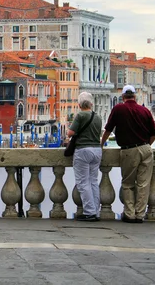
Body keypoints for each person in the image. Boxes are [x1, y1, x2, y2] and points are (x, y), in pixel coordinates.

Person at [101, 85, 155, 223]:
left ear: (123, 97)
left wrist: (101, 144)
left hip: (129, 150)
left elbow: (108, 129)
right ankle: (140, 215)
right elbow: (154, 133)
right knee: (143, 184)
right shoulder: (144, 110)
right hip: (145, 148)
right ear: (135, 96)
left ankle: (130, 214)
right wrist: (146, 146)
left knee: (128, 183)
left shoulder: (118, 109)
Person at [68, 92, 103, 222]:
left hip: (83, 150)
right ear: (91, 104)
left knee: (83, 182)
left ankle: (89, 212)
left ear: (79, 104)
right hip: (97, 150)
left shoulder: (80, 115)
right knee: (93, 181)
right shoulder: (98, 117)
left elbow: (70, 133)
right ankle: (96, 211)